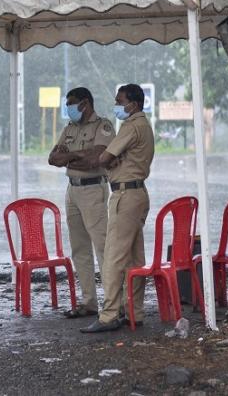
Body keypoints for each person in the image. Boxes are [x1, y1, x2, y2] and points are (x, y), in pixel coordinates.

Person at [80, 83, 154, 333]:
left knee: (113, 257)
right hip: (137, 193)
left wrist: (104, 160)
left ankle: (110, 315)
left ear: (132, 104)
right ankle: (135, 311)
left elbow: (104, 158)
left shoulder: (132, 126)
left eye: (119, 102)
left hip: (125, 196)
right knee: (134, 258)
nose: (117, 106)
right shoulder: (144, 125)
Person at [48, 87, 114, 319]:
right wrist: (78, 156)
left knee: (103, 247)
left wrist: (69, 156)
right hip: (72, 190)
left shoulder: (102, 126)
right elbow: (52, 158)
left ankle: (114, 304)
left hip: (93, 189)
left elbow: (96, 159)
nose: (69, 108)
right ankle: (89, 302)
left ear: (85, 103)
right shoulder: (69, 128)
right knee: (79, 249)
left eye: (72, 103)